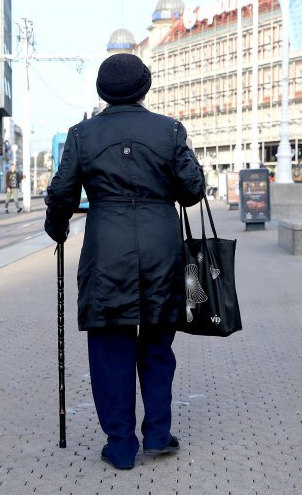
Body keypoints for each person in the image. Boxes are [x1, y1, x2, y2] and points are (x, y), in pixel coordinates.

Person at [44, 53, 205, 471]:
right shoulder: (169, 130)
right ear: (144, 87)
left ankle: (120, 446)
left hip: (106, 253)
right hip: (161, 250)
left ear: (102, 91)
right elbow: (192, 190)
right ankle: (157, 433)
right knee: (156, 345)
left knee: (110, 349)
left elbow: (61, 193)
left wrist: (57, 228)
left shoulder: (82, 134)